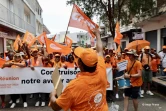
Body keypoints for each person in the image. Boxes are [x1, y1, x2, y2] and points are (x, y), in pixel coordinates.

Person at [49, 28, 108, 111]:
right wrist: (98, 35)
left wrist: (52, 95)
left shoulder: (73, 86)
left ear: (80, 64)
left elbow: (56, 107)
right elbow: (100, 50)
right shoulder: (101, 69)